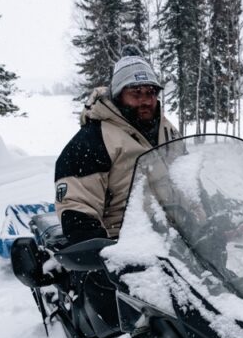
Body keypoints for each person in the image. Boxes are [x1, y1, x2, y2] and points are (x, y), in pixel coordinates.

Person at [54, 49, 179, 242]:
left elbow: (187, 181)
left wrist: (210, 216)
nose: (145, 100)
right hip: (122, 244)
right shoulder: (93, 140)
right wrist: (101, 252)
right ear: (119, 95)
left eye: (150, 92)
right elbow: (78, 208)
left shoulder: (168, 131)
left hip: (177, 239)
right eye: (136, 93)